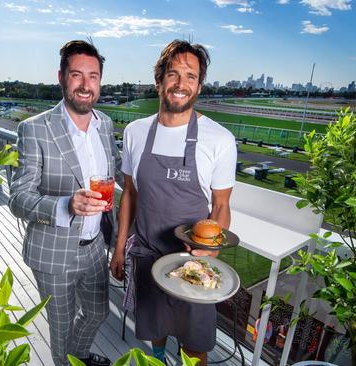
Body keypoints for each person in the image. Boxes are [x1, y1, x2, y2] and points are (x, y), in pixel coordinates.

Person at [110, 40, 237, 365]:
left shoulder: (219, 140)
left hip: (192, 266)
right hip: (148, 258)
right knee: (155, 330)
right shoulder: (136, 132)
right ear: (159, 80)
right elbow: (130, 195)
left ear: (199, 86)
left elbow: (221, 206)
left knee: (195, 347)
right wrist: (121, 247)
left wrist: (209, 254)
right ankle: (159, 358)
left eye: (191, 76)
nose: (181, 84)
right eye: (173, 74)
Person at [9, 40, 121, 366]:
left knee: (98, 312)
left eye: (94, 76)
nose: (86, 85)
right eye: (77, 75)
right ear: (61, 77)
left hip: (94, 247)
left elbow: (114, 178)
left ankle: (79, 357)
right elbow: (18, 199)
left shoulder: (106, 125)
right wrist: (66, 206)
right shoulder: (34, 129)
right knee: (60, 327)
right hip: (53, 251)